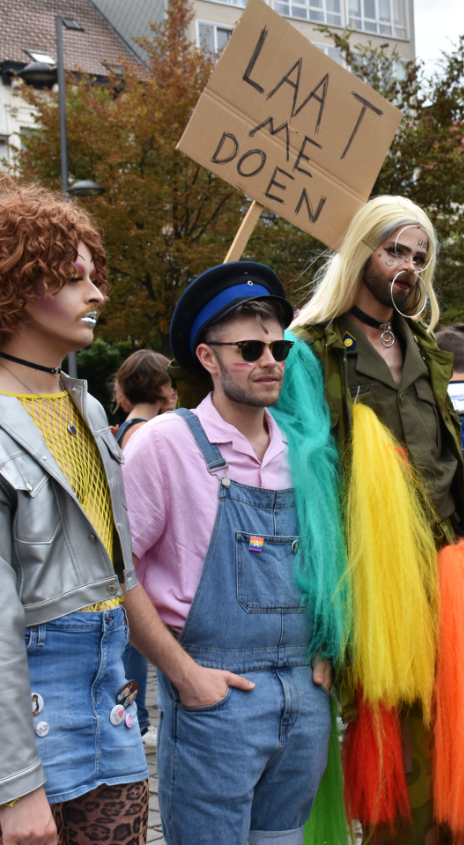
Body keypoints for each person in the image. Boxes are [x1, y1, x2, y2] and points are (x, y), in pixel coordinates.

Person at [0, 178, 149, 845]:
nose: (96, 292)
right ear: (13, 288)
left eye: (94, 275)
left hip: (110, 688)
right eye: (73, 278)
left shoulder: (89, 409)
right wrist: (15, 786)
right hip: (25, 700)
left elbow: (118, 571)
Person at [121, 262, 333, 845]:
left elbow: (334, 564)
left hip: (305, 702)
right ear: (208, 358)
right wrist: (183, 674)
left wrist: (333, 645)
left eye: (279, 347)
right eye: (248, 348)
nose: (269, 361)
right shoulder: (164, 444)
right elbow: (113, 574)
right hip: (216, 700)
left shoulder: (306, 452)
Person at [291, 196, 464, 844]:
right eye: (396, 249)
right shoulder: (309, 350)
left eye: (420, 257)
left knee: (451, 755)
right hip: (366, 589)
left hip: (446, 578)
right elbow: (304, 485)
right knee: (387, 769)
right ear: (361, 250)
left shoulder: (424, 347)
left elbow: (448, 461)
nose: (409, 266)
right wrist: (322, 616)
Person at [112, 350, 176, 753]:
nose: (174, 390)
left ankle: (136, 721)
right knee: (136, 644)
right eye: (169, 383)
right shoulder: (146, 432)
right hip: (140, 560)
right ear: (158, 387)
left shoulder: (131, 426)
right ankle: (138, 723)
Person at [114, 350, 176, 449]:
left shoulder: (135, 427)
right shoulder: (141, 430)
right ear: (161, 387)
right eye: (171, 383)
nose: (174, 389)